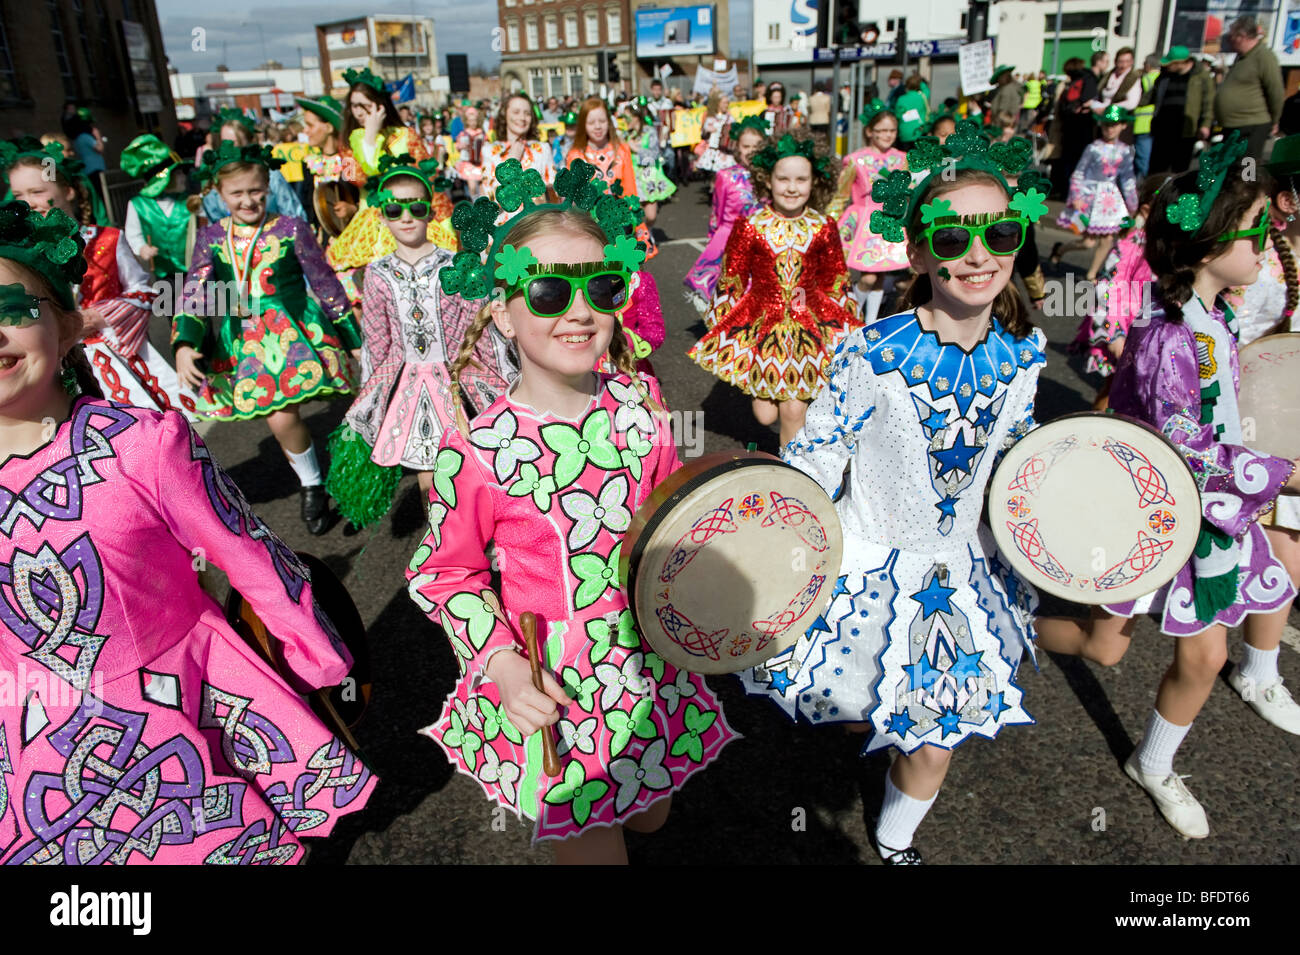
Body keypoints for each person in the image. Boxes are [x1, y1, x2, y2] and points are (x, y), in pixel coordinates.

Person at [0, 199, 376, 864]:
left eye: (14, 310)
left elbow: (249, 553)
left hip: (179, 722)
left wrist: (318, 658)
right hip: (36, 759)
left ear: (64, 324)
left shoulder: (142, 445)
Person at [405, 161, 737, 864]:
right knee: (598, 838)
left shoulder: (642, 408)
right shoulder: (475, 450)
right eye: (550, 290)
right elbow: (445, 575)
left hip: (648, 664)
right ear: (502, 309)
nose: (579, 310)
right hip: (555, 684)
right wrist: (502, 667)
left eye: (602, 286)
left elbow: (671, 524)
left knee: (650, 817)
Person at [741, 129, 1051, 864]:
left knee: (933, 733)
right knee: (856, 709)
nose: (980, 254)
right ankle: (866, 737)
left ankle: (894, 840)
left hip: (959, 566)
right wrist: (782, 545)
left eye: (1000, 232)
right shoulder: (868, 352)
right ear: (916, 252)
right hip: (869, 555)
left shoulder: (1027, 357)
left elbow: (1018, 463)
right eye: (954, 235)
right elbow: (817, 451)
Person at [1034, 135, 1300, 838]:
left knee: (1207, 654)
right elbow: (1186, 446)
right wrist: (1278, 472)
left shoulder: (1220, 316)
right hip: (1149, 517)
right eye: (1253, 233)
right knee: (1104, 648)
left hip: (1210, 523)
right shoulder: (1165, 337)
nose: (1265, 243)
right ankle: (1009, 625)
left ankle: (1152, 762)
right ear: (1209, 246)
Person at [175, 141, 361, 534]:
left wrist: (352, 336)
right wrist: (185, 344)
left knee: (282, 417)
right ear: (219, 193)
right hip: (244, 340)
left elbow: (324, 283)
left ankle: (312, 485)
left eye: (255, 190)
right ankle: (313, 478)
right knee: (280, 420)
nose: (247, 200)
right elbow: (195, 290)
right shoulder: (211, 237)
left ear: (268, 186)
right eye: (236, 193)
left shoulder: (291, 228)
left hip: (295, 333)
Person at [328, 162, 513, 528]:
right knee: (429, 478)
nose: (407, 216)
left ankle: (488, 533)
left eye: (416, 206)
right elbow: (377, 339)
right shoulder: (377, 273)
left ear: (431, 210)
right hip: (410, 386)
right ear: (381, 216)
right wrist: (372, 394)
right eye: (395, 209)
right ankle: (445, 543)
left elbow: (476, 324)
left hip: (458, 380)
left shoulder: (453, 263)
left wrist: (500, 375)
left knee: (474, 464)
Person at [4, 138, 198, 421]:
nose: (29, 203)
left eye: (37, 191)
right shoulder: (14, 257)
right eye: (19, 195)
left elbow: (144, 291)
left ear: (68, 191)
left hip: (115, 359)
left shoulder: (107, 239)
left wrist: (101, 315)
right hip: (51, 372)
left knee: (142, 436)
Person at [689, 134, 859, 446]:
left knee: (794, 410)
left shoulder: (823, 226)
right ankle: (782, 423)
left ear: (814, 181)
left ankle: (793, 470)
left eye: (800, 179)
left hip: (808, 326)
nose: (792, 188)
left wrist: (847, 318)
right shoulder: (750, 224)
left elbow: (835, 279)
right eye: (783, 179)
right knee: (766, 415)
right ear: (767, 180)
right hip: (762, 324)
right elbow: (733, 278)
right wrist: (722, 322)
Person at [1070, 173, 1162, 409]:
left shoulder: (1172, 247)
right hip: (1129, 332)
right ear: (1146, 211)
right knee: (1115, 391)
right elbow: (1109, 287)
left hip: (1158, 338)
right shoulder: (1132, 244)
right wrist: (1114, 334)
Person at [829, 101, 908, 321]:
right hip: (865, 222)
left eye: (892, 130)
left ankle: (870, 322)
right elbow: (841, 194)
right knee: (870, 277)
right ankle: (852, 314)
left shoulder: (903, 159)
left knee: (881, 277)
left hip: (891, 221)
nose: (888, 135)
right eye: (882, 130)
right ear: (869, 131)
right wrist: (828, 222)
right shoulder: (856, 160)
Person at [683, 116, 768, 313]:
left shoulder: (769, 177)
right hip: (729, 238)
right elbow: (717, 214)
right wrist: (713, 241)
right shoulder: (726, 176)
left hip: (760, 238)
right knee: (730, 288)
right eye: (746, 147)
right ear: (738, 147)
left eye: (756, 147)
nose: (751, 152)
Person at [1051, 105, 1139, 281]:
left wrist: (1132, 205)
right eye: (1106, 125)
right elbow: (1079, 173)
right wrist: (1076, 196)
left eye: (1114, 124)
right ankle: (1060, 249)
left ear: (1123, 126)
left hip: (1109, 200)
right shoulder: (1093, 148)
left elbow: (1128, 179)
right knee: (1088, 242)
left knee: (1107, 239)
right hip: (1090, 197)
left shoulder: (1125, 150)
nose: (1110, 128)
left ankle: (1092, 273)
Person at [201, 108, 306, 223]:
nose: (233, 151)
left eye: (238, 144)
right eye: (226, 143)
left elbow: (294, 215)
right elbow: (215, 227)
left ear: (250, 142)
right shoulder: (216, 181)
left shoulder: (270, 175)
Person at [118, 134, 198, 279]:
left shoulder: (190, 201)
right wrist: (142, 248)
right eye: (178, 173)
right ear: (162, 179)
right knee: (168, 300)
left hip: (193, 271)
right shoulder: (138, 205)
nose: (184, 177)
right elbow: (133, 234)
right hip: (163, 274)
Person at [1216, 15, 1285, 161]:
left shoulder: (1264, 56)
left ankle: (1250, 183)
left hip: (1252, 124)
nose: (1229, 39)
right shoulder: (1242, 57)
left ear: (1242, 36)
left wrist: (1275, 119)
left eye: (1232, 36)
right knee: (1229, 169)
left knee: (1248, 169)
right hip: (1233, 125)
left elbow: (1275, 91)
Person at [480, 92, 556, 215]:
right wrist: (512, 160)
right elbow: (487, 199)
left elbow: (553, 192)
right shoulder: (490, 151)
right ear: (505, 115)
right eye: (516, 112)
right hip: (504, 226)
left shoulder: (542, 149)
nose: (522, 118)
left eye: (527, 113)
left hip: (535, 223)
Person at [295, 94, 358, 240]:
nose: (305, 131)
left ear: (329, 127)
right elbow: (306, 205)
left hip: (352, 236)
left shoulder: (349, 161)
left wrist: (353, 209)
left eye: (310, 125)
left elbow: (362, 195)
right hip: (322, 241)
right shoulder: (309, 164)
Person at [1149, 47, 1215, 175]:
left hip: (1185, 130)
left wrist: (1205, 125)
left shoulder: (1201, 76)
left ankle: (1174, 194)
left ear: (1180, 63)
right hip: (1162, 130)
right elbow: (1152, 96)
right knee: (1157, 169)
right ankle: (1155, 193)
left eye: (1170, 63)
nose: (1166, 66)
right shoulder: (1164, 76)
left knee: (1179, 169)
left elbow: (1208, 102)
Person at [1050, 56, 1102, 198]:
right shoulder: (1087, 79)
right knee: (1077, 161)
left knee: (1073, 161)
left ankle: (1070, 191)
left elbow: (1081, 101)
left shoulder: (1077, 81)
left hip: (1074, 125)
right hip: (1079, 125)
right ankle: (1072, 191)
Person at [624, 106, 675, 240]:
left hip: (648, 177)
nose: (624, 120)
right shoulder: (625, 134)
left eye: (627, 117)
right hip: (631, 177)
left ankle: (648, 230)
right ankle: (640, 238)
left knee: (651, 215)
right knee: (636, 214)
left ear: (636, 117)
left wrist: (636, 149)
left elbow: (655, 154)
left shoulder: (649, 131)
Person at [1131, 54, 1163, 178]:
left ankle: (1141, 187)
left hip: (1142, 123)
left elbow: (1137, 101)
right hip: (1154, 123)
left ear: (1148, 65)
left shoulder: (1145, 79)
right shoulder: (1162, 78)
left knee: (1141, 160)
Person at [1091, 47, 1142, 115]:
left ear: (1132, 62)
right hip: (1101, 116)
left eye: (1127, 61)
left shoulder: (1133, 78)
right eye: (1121, 61)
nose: (1124, 65)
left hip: (1119, 118)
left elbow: (1132, 103)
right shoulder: (1108, 76)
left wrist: (1108, 108)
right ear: (1115, 61)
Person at [696, 91, 736, 174]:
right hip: (713, 150)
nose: (726, 105)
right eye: (724, 103)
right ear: (718, 103)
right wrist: (708, 130)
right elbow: (703, 135)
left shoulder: (730, 118)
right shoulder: (711, 118)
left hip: (726, 151)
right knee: (714, 175)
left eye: (727, 103)